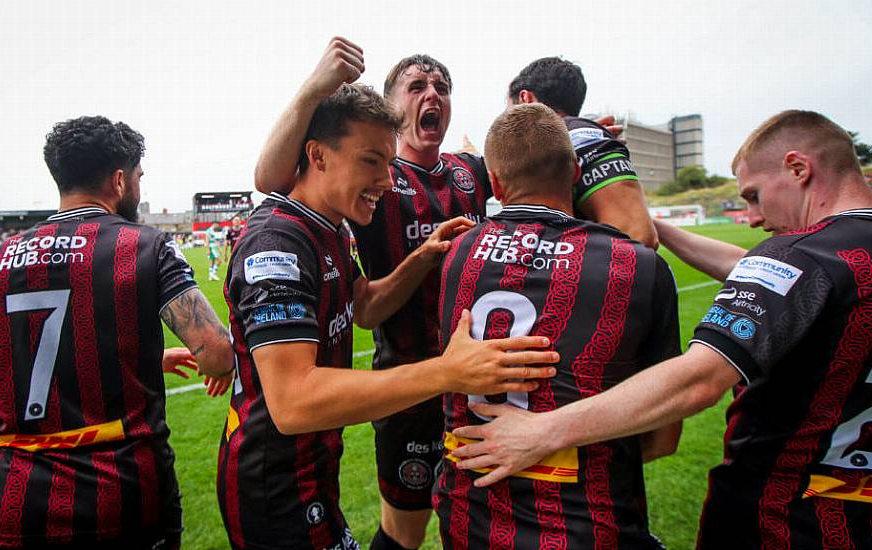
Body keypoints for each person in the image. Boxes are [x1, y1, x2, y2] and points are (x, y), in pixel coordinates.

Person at [451, 110, 872, 548]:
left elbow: (700, 380)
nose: (756, 217)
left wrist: (544, 431)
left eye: (754, 196)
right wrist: (646, 224)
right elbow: (779, 280)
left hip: (785, 517)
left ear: (798, 168)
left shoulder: (799, 257)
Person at [254, 37, 649, 550]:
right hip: (408, 386)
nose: (431, 94)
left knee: (484, 518)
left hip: (484, 386)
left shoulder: (471, 171)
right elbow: (272, 181)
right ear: (392, 108)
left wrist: (584, 136)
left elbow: (534, 159)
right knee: (406, 526)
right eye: (415, 86)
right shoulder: (371, 176)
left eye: (441, 86)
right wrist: (314, 90)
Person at [219, 83, 559, 550]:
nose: (385, 180)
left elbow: (365, 306)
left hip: (312, 468)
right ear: (317, 156)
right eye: (371, 161)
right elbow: (293, 401)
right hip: (271, 483)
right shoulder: (277, 243)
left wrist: (424, 255)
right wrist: (447, 371)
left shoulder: (331, 229)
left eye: (387, 162)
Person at [0, 116, 234, 549]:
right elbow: (219, 354)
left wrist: (139, 358)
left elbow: (22, 361)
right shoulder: (144, 245)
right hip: (119, 493)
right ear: (120, 180)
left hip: (14, 499)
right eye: (139, 176)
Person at [434, 103, 680, 549]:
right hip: (591, 525)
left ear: (496, 184)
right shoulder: (638, 267)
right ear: (575, 172)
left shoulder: (457, 254)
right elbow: (664, 437)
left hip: (470, 519)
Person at [507, 57, 658, 249]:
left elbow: (638, 237)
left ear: (525, 99)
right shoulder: (552, 145)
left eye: (509, 110)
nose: (506, 122)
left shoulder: (583, 138)